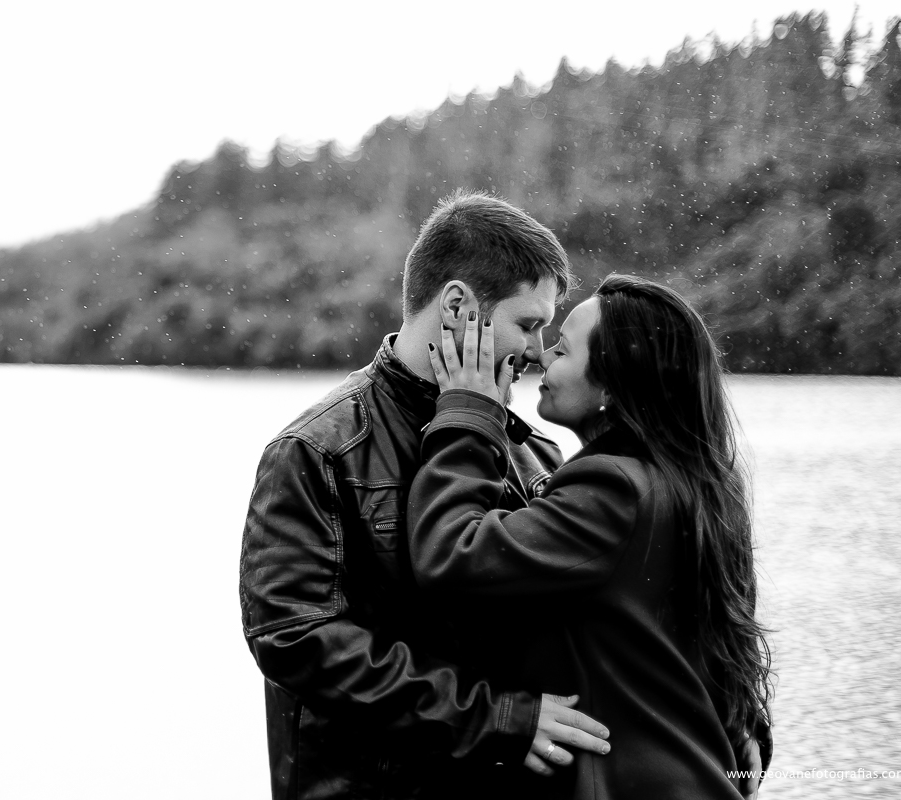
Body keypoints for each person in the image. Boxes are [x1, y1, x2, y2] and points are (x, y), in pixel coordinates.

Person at [239, 191, 611, 799]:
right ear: (459, 306)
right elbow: (297, 638)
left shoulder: (533, 452)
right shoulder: (317, 449)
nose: (537, 353)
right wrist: (495, 719)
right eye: (527, 324)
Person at [406, 274, 774, 799]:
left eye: (561, 348)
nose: (540, 359)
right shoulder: (694, 485)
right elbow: (710, 645)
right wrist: (748, 726)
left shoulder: (614, 489)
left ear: (612, 385)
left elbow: (451, 555)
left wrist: (467, 417)